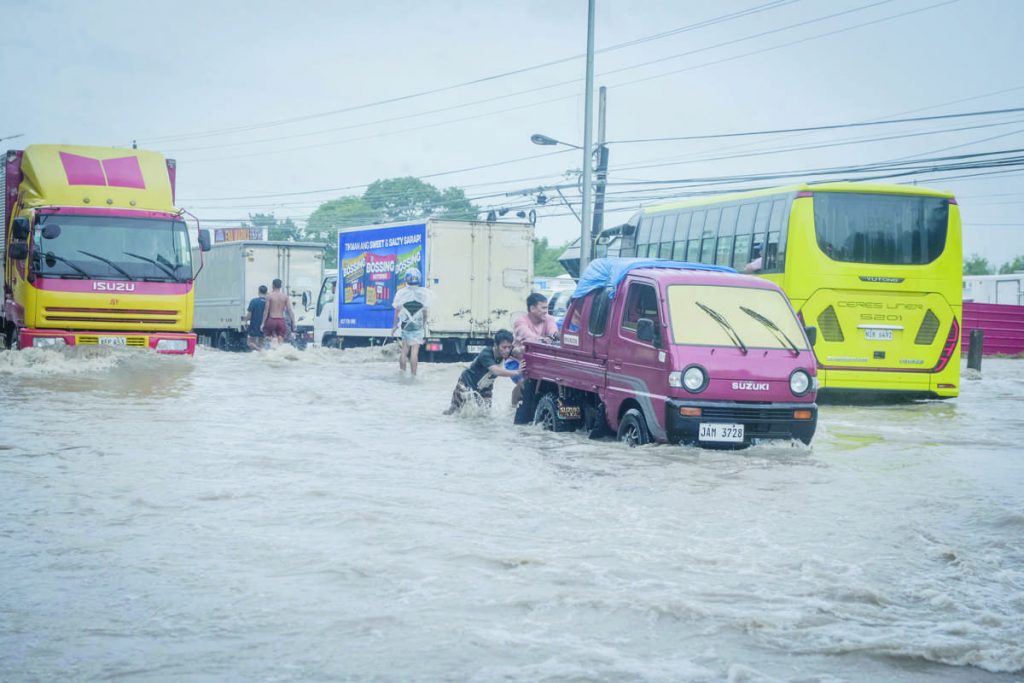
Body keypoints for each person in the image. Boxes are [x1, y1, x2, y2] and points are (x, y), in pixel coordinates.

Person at [443, 329, 521, 415]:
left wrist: (520, 351)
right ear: (496, 345)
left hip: (485, 387)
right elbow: (496, 371)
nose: (507, 350)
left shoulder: (508, 352)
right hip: (466, 383)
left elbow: (519, 351)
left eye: (509, 347)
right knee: (454, 411)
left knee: (485, 414)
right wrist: (517, 372)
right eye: (504, 347)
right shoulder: (486, 354)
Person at [510, 292, 559, 405]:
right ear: (532, 308)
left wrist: (554, 336)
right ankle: (513, 409)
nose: (546, 311)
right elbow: (527, 336)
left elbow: (554, 333)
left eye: (547, 307)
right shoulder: (520, 321)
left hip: (537, 360)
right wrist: (543, 339)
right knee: (523, 384)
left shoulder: (549, 319)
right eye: (543, 308)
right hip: (517, 360)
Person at [391, 267, 431, 376]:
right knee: (414, 352)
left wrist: (394, 326)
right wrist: (423, 324)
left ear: (406, 279)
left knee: (404, 351)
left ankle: (402, 373)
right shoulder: (423, 293)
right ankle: (414, 375)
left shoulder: (401, 293)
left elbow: (397, 311)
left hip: (405, 325)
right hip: (417, 325)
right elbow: (425, 312)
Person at [261, 278, 295, 345]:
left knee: (269, 338)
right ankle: (279, 352)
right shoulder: (285, 296)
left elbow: (266, 311)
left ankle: (272, 351)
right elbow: (290, 310)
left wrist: (262, 323)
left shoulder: (269, 296)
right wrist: (293, 322)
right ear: (280, 286)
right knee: (281, 340)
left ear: (273, 285)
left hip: (271, 320)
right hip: (281, 321)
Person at [242, 285, 268, 351]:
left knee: (250, 343)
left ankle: (261, 351)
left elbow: (249, 315)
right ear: (266, 292)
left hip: (254, 325)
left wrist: (245, 320)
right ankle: (260, 355)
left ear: (258, 292)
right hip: (265, 325)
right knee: (261, 344)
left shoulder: (253, 301)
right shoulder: (268, 302)